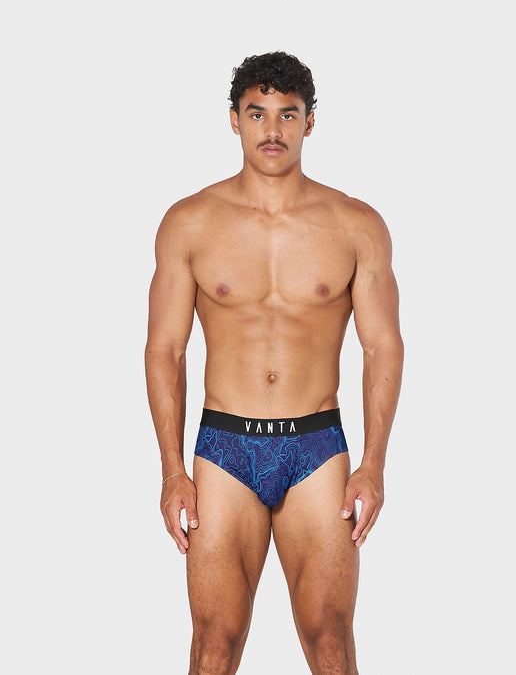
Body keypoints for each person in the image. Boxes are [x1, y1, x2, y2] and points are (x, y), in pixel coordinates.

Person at [145, 51, 404, 675]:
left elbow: (382, 346)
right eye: (257, 113)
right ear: (234, 120)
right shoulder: (189, 222)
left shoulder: (356, 224)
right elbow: (165, 350)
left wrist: (373, 464)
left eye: (288, 114)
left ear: (309, 122)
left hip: (316, 447)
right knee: (215, 643)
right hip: (224, 449)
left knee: (330, 641)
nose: (272, 129)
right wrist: (172, 469)